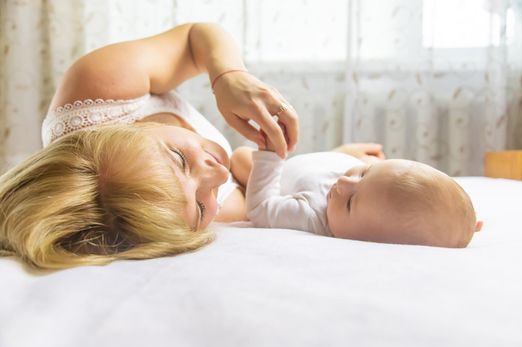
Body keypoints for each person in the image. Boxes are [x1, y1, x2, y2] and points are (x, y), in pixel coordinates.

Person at [0, 23, 299, 269]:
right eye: (198, 206)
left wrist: (228, 76)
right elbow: (260, 192)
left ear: (121, 132)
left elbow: (195, 38)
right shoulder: (215, 214)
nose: (219, 175)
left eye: (180, 158)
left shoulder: (98, 87)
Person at [232, 143, 483, 248]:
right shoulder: (364, 188)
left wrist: (269, 157)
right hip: (329, 160)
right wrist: (360, 166)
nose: (343, 182)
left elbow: (261, 207)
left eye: (351, 204)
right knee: (374, 168)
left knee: (241, 156)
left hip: (287, 172)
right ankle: (353, 157)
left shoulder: (311, 216)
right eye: (364, 174)